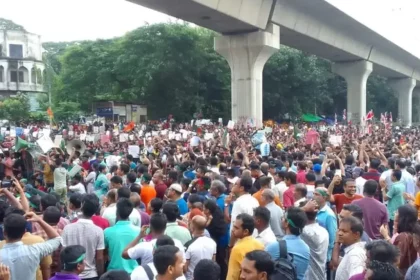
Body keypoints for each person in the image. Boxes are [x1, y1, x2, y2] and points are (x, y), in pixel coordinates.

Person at [0, 212, 61, 280]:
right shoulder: (34, 251)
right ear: (24, 232)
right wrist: (39, 220)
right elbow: (57, 239)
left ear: (4, 233)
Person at [62, 194, 105, 280]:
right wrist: (101, 275)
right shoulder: (98, 231)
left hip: (71, 274)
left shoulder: (68, 228)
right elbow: (99, 258)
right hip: (91, 275)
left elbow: (63, 253)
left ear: (81, 207)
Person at [265, 207, 310, 280]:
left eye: (283, 217)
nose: (281, 219)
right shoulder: (306, 248)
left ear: (287, 223)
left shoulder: (274, 247)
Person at [104, 198, 140, 273]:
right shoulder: (138, 231)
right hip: (133, 273)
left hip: (113, 273)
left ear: (117, 212)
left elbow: (104, 253)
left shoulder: (107, 232)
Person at [227, 213, 264, 280]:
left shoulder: (237, 249)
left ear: (245, 231)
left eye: (236, 228)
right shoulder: (260, 245)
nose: (232, 229)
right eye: (233, 226)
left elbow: (232, 276)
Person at [226, 176, 259, 245]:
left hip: (240, 242)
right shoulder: (254, 200)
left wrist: (230, 245)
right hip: (253, 240)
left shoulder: (238, 203)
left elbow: (234, 227)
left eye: (235, 184)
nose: (233, 186)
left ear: (241, 188)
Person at [301, 201, 329, 280]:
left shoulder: (306, 232)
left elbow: (288, 217)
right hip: (321, 275)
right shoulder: (323, 231)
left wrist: (304, 208)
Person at [184, 216, 216, 280]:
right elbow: (213, 261)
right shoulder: (212, 243)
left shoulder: (189, 245)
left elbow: (185, 268)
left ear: (193, 227)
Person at [392, 204, 418, 275]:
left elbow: (397, 260)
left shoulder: (403, 237)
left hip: (402, 273)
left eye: (397, 212)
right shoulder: (414, 232)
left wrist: (386, 236)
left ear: (402, 217)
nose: (395, 214)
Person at [382, 170, 405, 235]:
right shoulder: (402, 185)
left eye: (391, 175)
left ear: (394, 177)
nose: (390, 177)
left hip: (393, 211)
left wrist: (383, 189)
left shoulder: (394, 186)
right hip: (400, 209)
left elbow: (385, 198)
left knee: (392, 229)